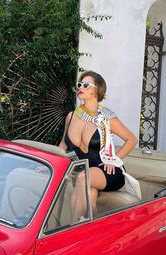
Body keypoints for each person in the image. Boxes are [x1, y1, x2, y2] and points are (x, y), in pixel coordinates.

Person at [59, 71, 138, 218]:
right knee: (90, 194)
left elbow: (132, 140)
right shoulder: (71, 116)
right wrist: (52, 162)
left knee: (82, 178)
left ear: (97, 90)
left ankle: (73, 227)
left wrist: (114, 159)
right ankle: (92, 226)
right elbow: (63, 144)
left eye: (86, 85)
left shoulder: (107, 118)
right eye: (79, 84)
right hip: (87, 170)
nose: (80, 87)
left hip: (108, 171)